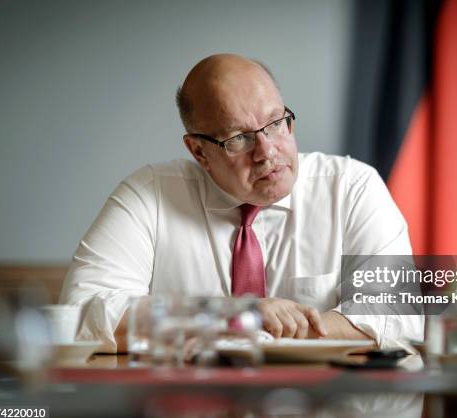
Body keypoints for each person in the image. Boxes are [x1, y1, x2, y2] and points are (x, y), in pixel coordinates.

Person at [60, 53, 423, 353]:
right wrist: (229, 317)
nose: (267, 152)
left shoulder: (351, 187)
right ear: (199, 151)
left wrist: (257, 334)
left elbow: (395, 316)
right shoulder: (149, 194)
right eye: (238, 138)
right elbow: (80, 316)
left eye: (276, 123)